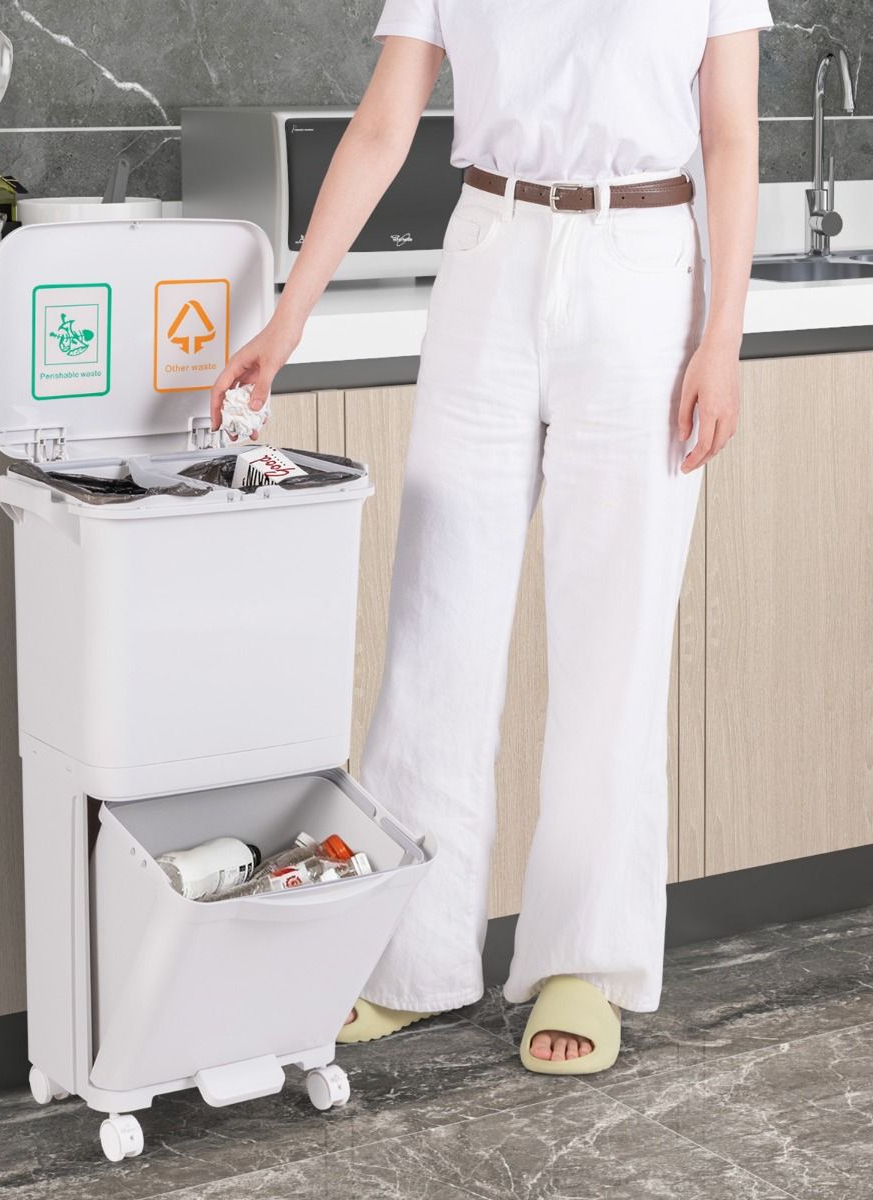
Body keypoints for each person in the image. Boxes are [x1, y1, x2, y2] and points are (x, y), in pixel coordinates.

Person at [209, 0, 771, 1075]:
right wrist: (288, 317)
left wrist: (723, 338)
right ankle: (405, 957)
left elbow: (731, 134)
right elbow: (385, 123)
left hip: (644, 276)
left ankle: (586, 960)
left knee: (614, 642)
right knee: (436, 628)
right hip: (487, 258)